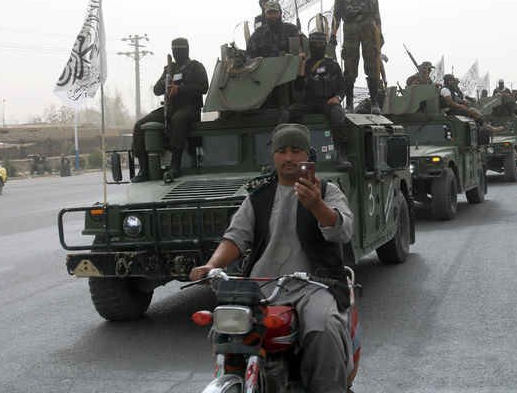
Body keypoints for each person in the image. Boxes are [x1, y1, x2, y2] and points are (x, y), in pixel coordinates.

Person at [189, 124, 354, 393]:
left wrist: (316, 206)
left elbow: (343, 230)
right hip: (263, 286)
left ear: (308, 156)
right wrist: (212, 265)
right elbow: (235, 237)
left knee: (323, 329)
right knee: (225, 327)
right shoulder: (259, 196)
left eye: (296, 150)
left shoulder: (326, 191)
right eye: (282, 151)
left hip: (315, 285)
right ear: (274, 156)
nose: (288, 157)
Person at [132, 38, 208, 182]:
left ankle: (175, 165)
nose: (177, 53)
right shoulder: (169, 69)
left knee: (178, 120)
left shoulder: (196, 67)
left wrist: (180, 89)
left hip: (190, 108)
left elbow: (204, 87)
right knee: (139, 125)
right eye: (175, 50)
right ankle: (144, 169)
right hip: (170, 107)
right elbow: (156, 90)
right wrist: (166, 82)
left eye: (180, 50)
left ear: (187, 50)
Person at [284, 31, 352, 171]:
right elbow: (298, 88)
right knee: (287, 113)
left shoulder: (332, 64)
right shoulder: (305, 63)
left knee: (338, 114)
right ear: (310, 45)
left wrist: (338, 98)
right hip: (309, 102)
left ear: (325, 45)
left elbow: (343, 87)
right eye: (315, 44)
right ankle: (283, 151)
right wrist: (301, 66)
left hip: (327, 102)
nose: (318, 46)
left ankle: (341, 154)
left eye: (321, 44)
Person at [331, 0, 382, 114]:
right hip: (350, 28)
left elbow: (376, 12)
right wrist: (332, 35)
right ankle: (350, 104)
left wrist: (380, 33)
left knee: (372, 64)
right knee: (350, 65)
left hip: (368, 27)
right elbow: (336, 15)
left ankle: (374, 102)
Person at [246, 1, 302, 120]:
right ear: (265, 15)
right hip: (264, 77)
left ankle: (285, 110)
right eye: (270, 13)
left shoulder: (291, 30)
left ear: (280, 13)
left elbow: (302, 48)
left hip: (288, 77)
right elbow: (249, 55)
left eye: (275, 13)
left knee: (283, 80)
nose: (272, 16)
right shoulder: (258, 34)